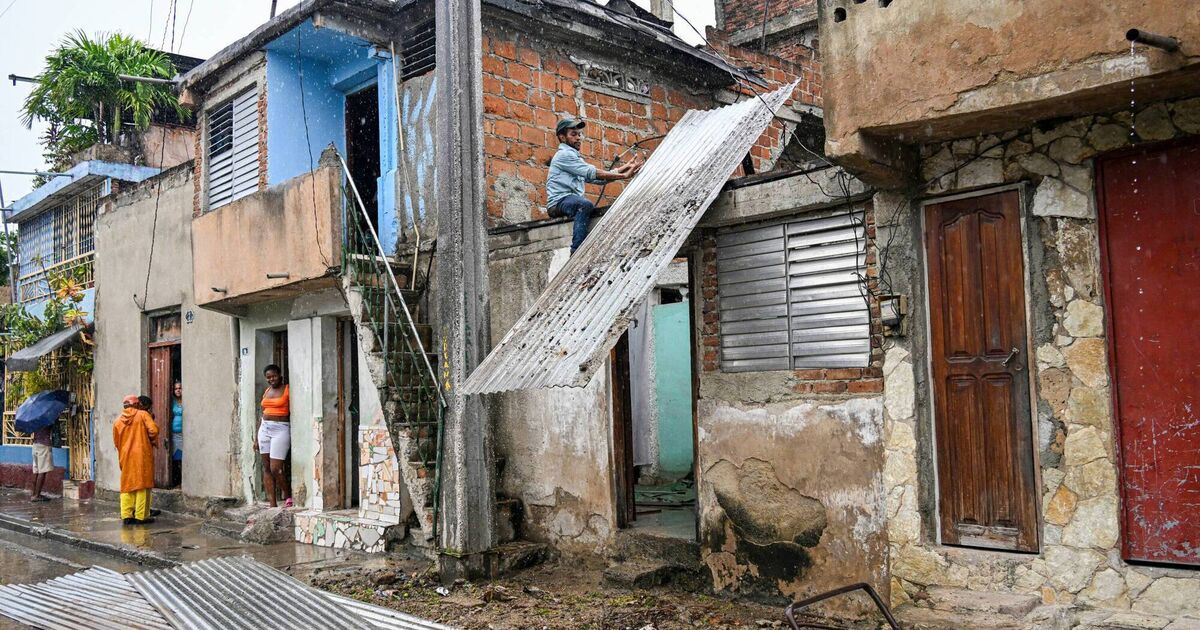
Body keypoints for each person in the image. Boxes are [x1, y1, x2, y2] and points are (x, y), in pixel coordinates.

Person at [545, 118, 643, 254]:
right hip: (558, 203)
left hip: (569, 200)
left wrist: (625, 168)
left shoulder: (575, 157)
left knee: (586, 205)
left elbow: (598, 179)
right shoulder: (564, 155)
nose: (578, 138)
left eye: (579, 134)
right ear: (562, 137)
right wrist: (623, 176)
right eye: (573, 134)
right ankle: (576, 252)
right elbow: (593, 173)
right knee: (584, 205)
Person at [113, 394, 159, 525]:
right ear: (136, 404)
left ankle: (126, 515)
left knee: (127, 484)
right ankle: (141, 516)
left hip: (125, 455)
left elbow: (116, 441)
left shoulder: (117, 421)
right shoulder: (143, 415)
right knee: (143, 485)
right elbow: (154, 430)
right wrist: (150, 440)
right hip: (142, 455)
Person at [256, 364, 292, 508]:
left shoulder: (287, 389)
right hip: (264, 429)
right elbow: (263, 413)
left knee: (276, 468)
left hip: (281, 429)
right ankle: (272, 504)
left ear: (280, 375)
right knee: (266, 468)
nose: (272, 379)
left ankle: (288, 495)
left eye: (274, 376)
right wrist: (255, 438)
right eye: (269, 377)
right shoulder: (267, 391)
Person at [29, 425, 53, 502]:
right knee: (42, 471)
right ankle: (36, 495)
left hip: (35, 444)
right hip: (44, 445)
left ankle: (34, 493)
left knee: (36, 471)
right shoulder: (47, 420)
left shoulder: (35, 420)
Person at [170, 381, 183, 485]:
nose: (178, 390)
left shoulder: (186, 400)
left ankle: (183, 479)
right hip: (174, 434)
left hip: (185, 434)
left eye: (180, 388)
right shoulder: (172, 401)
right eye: (176, 388)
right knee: (175, 457)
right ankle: (175, 479)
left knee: (183, 457)